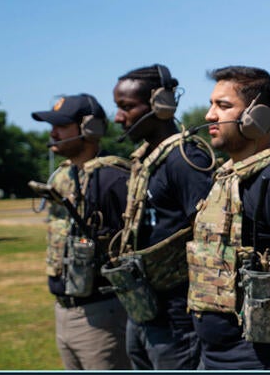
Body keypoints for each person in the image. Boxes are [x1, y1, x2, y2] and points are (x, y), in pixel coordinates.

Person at [186, 66, 270, 370]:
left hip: (265, 361)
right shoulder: (227, 178)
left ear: (255, 116)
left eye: (223, 106)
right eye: (211, 104)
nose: (209, 115)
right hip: (214, 358)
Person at [102, 64, 213, 370]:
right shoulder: (145, 159)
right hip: (142, 308)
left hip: (177, 320)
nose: (118, 117)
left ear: (160, 105)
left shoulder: (185, 160)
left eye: (127, 107)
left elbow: (208, 237)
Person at [30, 93, 131, 370]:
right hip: (63, 310)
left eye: (61, 126)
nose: (53, 133)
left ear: (90, 128)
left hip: (101, 314)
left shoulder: (113, 178)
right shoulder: (63, 176)